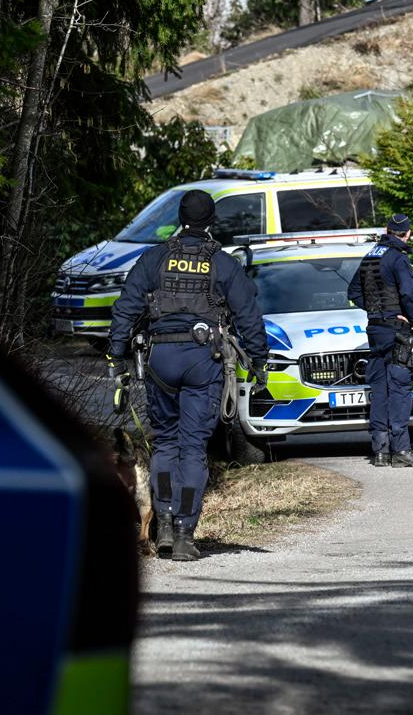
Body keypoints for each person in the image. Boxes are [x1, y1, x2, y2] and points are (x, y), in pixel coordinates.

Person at [108, 190, 268, 561]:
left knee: (165, 443)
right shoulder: (222, 264)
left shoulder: (155, 258)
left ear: (179, 219)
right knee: (193, 447)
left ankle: (162, 525)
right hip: (202, 358)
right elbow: (248, 314)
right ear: (212, 222)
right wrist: (258, 361)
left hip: (160, 357)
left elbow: (126, 307)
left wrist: (116, 356)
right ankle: (183, 536)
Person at [347, 213, 413, 468]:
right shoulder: (398, 258)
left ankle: (381, 451)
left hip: (375, 330)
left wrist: (375, 311)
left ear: (387, 230)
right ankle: (402, 451)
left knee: (380, 390)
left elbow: (353, 292)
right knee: (399, 389)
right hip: (397, 331)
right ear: (407, 233)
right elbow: (408, 293)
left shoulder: (371, 255)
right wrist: (412, 320)